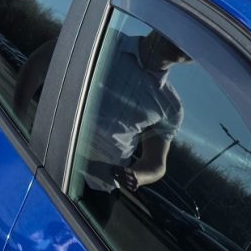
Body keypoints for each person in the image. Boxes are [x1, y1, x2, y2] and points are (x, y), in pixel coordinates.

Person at [81, 29, 191, 200]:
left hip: (99, 189)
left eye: (197, 46)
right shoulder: (104, 38)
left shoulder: (172, 107)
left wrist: (136, 176)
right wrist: (21, 106)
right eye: (185, 31)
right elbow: (42, 63)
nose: (187, 43)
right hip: (52, 153)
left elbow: (156, 163)